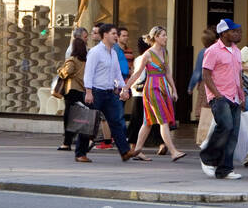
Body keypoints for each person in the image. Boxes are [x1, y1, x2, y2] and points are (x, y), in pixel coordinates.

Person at [77, 23, 137, 162]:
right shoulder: (95, 52)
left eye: (116, 34)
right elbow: (88, 73)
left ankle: (125, 152)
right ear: (105, 35)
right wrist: (88, 92)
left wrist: (124, 88)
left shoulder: (114, 53)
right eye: (113, 33)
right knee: (89, 123)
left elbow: (117, 74)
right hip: (96, 92)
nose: (116, 36)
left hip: (110, 93)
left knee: (116, 121)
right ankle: (80, 153)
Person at [128, 26, 186, 160]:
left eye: (166, 35)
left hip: (163, 88)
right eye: (163, 35)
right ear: (156, 37)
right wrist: (126, 87)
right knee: (163, 120)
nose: (166, 37)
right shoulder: (147, 54)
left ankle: (137, 151)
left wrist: (174, 89)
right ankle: (173, 151)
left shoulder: (165, 52)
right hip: (152, 89)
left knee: (147, 122)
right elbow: (137, 73)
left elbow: (167, 73)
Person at [199, 18, 244, 180]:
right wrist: (217, 95)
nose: (237, 33)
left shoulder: (237, 51)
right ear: (224, 33)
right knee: (226, 126)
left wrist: (242, 95)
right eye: (233, 31)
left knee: (233, 134)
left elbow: (238, 75)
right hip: (220, 96)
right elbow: (206, 74)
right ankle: (207, 156)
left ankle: (225, 169)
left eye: (237, 31)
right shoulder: (212, 50)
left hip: (235, 97)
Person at [56, 37, 88, 156]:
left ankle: (66, 143)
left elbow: (66, 72)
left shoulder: (72, 60)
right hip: (82, 90)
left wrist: (60, 70)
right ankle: (79, 139)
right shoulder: (86, 60)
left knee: (68, 117)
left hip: (71, 90)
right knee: (80, 117)